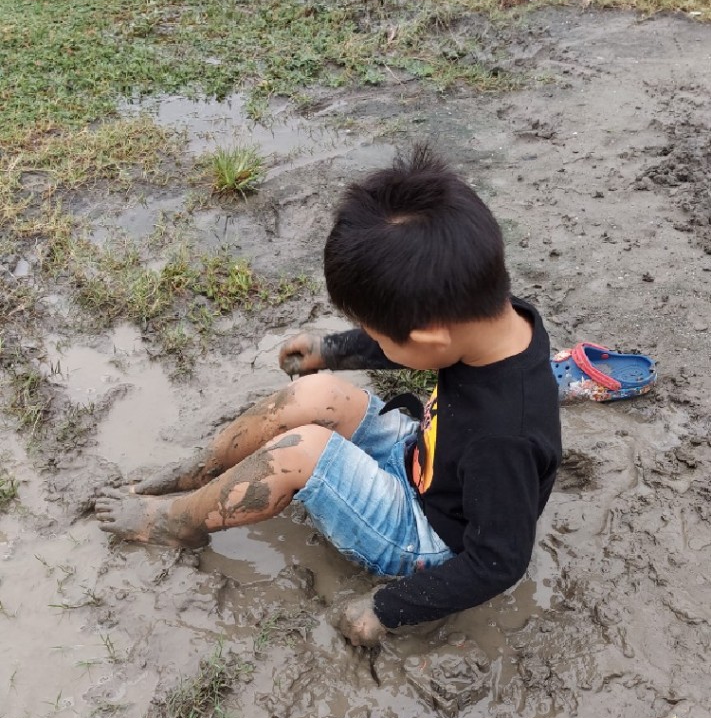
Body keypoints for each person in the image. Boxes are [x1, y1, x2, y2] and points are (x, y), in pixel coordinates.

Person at [96, 144, 562, 647]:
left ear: (428, 338)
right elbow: (416, 345)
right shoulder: (493, 318)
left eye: (375, 334)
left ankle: (178, 522)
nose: (372, 340)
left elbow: (498, 561)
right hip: (422, 456)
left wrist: (386, 609)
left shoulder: (503, 439)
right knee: (313, 394)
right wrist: (332, 351)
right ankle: (202, 468)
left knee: (301, 453)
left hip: (427, 537)